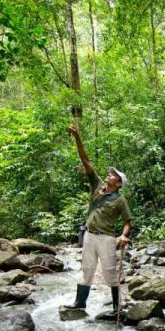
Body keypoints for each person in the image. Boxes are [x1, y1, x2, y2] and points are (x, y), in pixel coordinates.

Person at [64, 125, 132, 315]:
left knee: (109, 271)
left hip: (106, 238)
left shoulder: (120, 200)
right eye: (110, 173)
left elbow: (128, 221)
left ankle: (116, 307)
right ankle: (80, 303)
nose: (109, 174)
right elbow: (85, 160)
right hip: (89, 235)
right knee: (87, 268)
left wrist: (123, 235)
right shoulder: (97, 185)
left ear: (119, 184)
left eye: (114, 175)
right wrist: (77, 136)